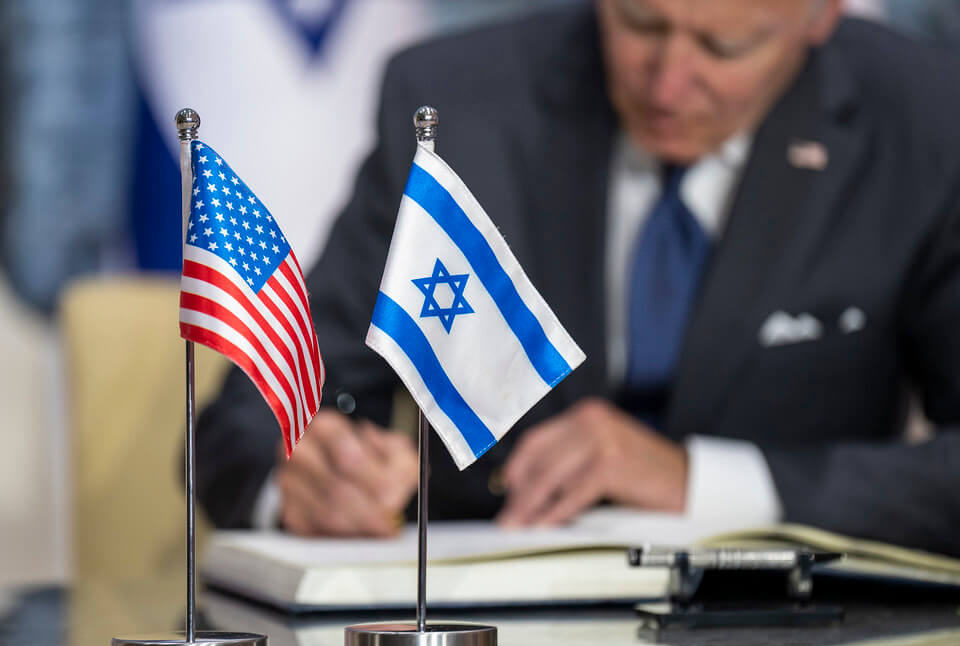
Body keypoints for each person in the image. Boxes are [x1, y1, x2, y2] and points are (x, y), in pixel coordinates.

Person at [195, 0, 960, 556]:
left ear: (820, 16)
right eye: (641, 25)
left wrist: (699, 480)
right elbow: (254, 410)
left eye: (724, 48)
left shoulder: (925, 117)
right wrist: (302, 477)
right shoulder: (460, 102)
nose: (667, 84)